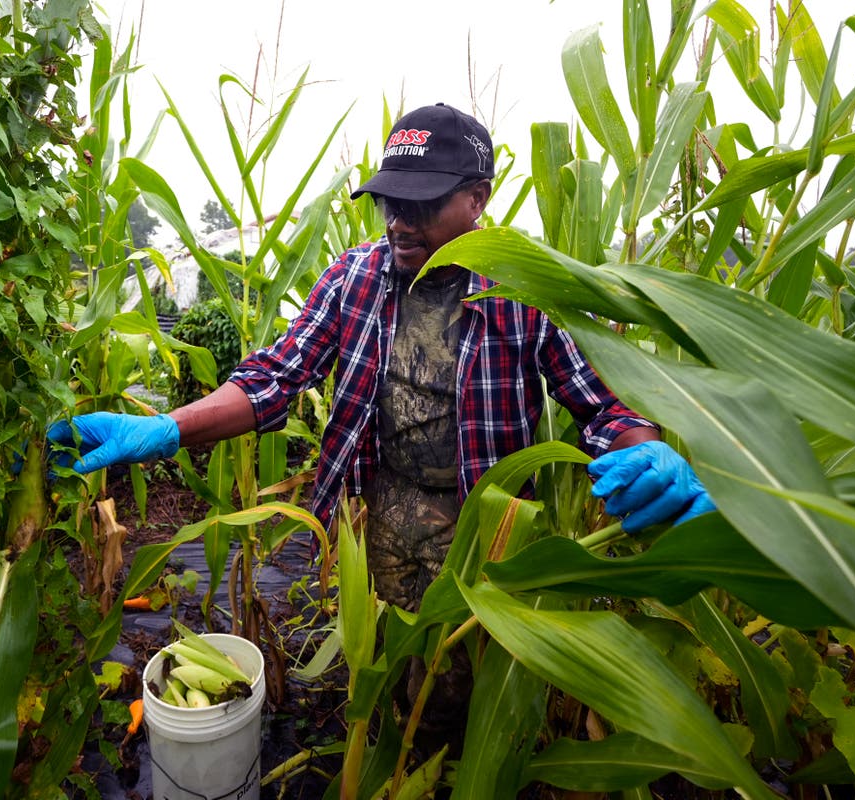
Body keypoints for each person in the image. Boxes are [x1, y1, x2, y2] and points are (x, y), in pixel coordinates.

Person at [48, 102, 714, 749]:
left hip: (487, 528)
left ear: (477, 199)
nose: (400, 221)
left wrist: (645, 450)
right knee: (388, 672)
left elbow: (609, 400)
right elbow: (276, 377)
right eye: (391, 201)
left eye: (422, 204)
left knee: (472, 683)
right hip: (381, 521)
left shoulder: (523, 287)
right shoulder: (355, 277)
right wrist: (165, 427)